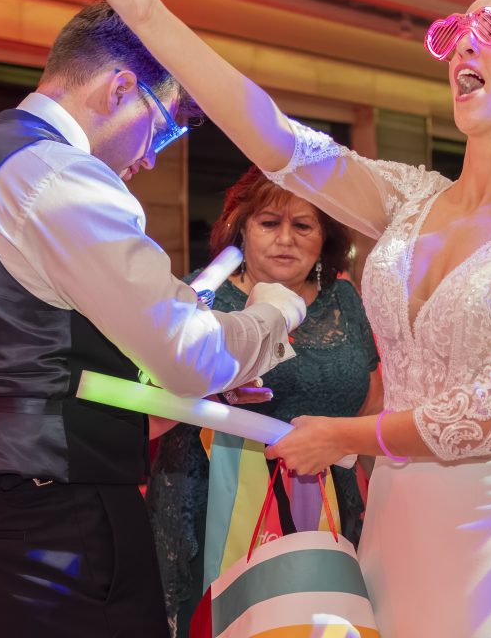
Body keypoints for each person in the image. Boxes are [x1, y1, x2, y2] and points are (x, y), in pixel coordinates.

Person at [18, 0, 491, 636]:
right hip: (398, 505)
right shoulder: (411, 198)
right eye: (455, 34)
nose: (465, 48)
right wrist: (148, 14)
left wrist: (342, 436)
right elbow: (275, 138)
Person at [0, 1, 306, 638]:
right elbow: (189, 354)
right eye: (163, 130)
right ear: (120, 89)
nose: (151, 157)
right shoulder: (62, 177)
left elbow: (27, 346)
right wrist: (274, 313)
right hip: (49, 515)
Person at [146, 167, 380, 637]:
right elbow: (151, 404)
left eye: (303, 225)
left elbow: (372, 405)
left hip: (331, 506)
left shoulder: (346, 300)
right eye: (269, 223)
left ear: (325, 237)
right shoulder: (200, 296)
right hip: (214, 504)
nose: (285, 239)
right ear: (241, 229)